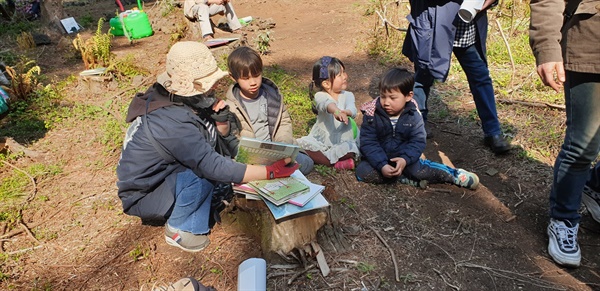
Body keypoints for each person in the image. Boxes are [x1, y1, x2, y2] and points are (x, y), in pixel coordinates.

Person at [116, 41, 298, 253]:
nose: (213, 87)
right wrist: (269, 172)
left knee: (208, 173)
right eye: (207, 83)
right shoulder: (172, 121)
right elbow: (209, 164)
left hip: (164, 177)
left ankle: (193, 204)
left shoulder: (177, 99)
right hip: (145, 194)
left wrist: (220, 123)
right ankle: (179, 228)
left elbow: (212, 143)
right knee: (202, 174)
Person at [529, 0, 600, 268]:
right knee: (583, 146)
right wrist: (547, 46)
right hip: (590, 44)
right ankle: (564, 219)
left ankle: (594, 187)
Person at [402, 0, 512, 154]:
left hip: (467, 29)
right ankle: (418, 122)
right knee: (424, 75)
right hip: (434, 26)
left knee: (480, 77)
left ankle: (493, 132)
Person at [356, 67, 479, 190]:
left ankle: (453, 175)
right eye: (383, 96)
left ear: (408, 96)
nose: (386, 102)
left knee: (419, 171)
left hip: (406, 159)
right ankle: (402, 178)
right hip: (380, 159)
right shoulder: (372, 115)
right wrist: (382, 165)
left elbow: (417, 141)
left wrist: (404, 159)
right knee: (362, 172)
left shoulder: (413, 115)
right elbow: (368, 142)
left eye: (392, 98)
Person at [224, 46, 314, 175]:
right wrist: (248, 157)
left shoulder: (272, 96)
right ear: (233, 78)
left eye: (256, 75)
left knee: (306, 163)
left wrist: (282, 147)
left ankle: (276, 172)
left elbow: (283, 122)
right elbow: (233, 138)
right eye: (246, 78)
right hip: (251, 159)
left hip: (275, 152)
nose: (253, 82)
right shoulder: (231, 107)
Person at [296, 56, 360, 170]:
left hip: (343, 137)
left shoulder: (348, 95)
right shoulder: (320, 96)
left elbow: (353, 109)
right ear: (326, 84)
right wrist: (336, 111)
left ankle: (327, 161)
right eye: (340, 75)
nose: (345, 76)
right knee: (301, 145)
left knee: (351, 149)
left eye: (344, 72)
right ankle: (335, 163)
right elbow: (327, 104)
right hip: (321, 138)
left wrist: (347, 112)